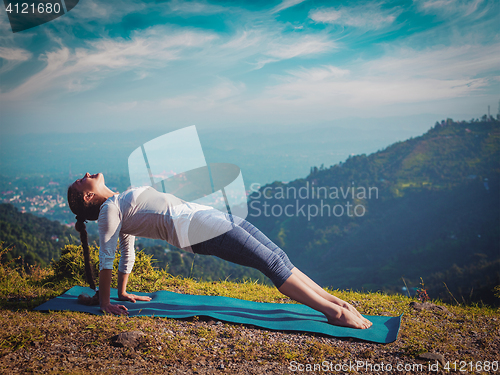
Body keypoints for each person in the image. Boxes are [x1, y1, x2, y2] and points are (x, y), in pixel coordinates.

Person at [67, 172, 372, 329]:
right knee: (271, 265)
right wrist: (105, 302)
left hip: (208, 216)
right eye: (81, 182)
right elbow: (108, 255)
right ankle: (333, 314)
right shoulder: (109, 210)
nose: (85, 174)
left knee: (279, 257)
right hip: (199, 230)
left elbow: (126, 245)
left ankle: (337, 303)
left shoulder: (117, 202)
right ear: (88, 195)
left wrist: (122, 292)